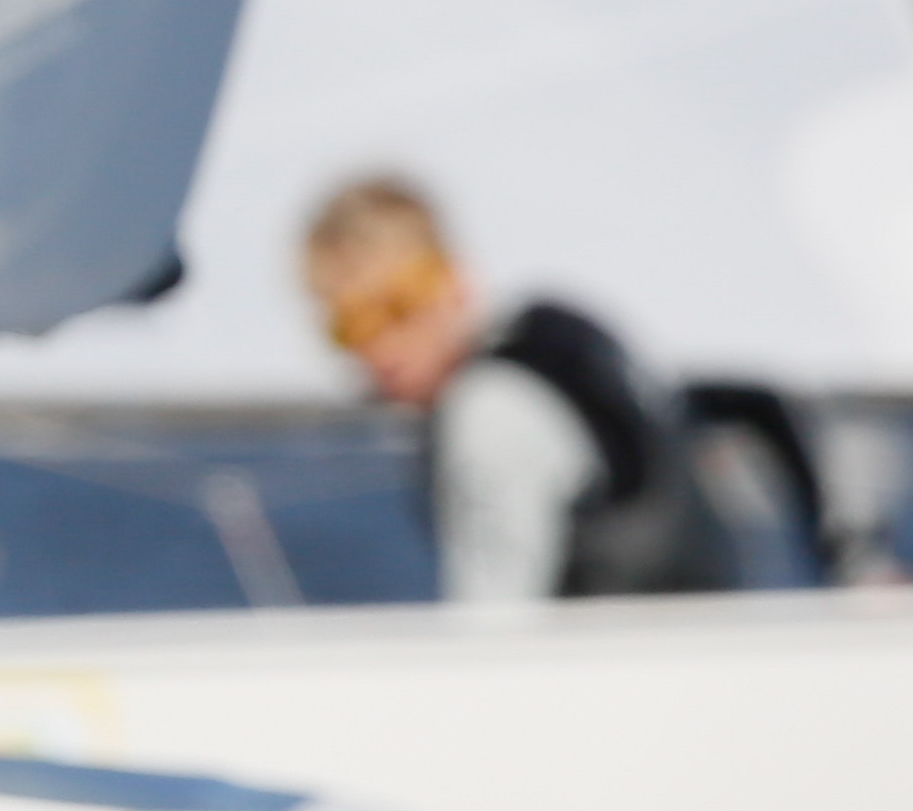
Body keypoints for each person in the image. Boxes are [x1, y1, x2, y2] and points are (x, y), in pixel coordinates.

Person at [302, 174, 751, 602]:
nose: (381, 348)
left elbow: (496, 623)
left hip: (610, 668)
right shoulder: (567, 344)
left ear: (454, 282)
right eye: (350, 326)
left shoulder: (487, 408)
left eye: (398, 306)